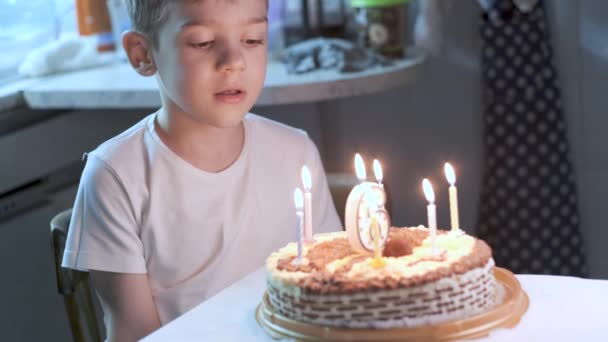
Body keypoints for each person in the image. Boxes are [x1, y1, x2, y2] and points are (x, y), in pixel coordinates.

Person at [61, 0, 341, 340]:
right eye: (203, 43)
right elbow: (135, 333)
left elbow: (333, 290)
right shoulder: (116, 176)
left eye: (253, 39)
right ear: (142, 53)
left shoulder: (296, 152)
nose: (234, 61)